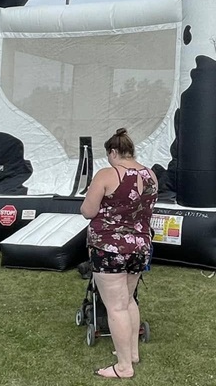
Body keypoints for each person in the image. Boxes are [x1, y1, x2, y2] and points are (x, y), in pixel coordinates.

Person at [81, 128, 157, 380]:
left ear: (113, 152)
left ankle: (124, 367)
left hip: (109, 248)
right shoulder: (150, 175)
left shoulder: (107, 174)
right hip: (140, 246)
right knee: (128, 301)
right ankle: (131, 353)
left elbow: (88, 211)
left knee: (115, 307)